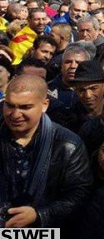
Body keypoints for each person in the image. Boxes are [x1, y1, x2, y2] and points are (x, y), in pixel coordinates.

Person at [0, 75, 92, 229]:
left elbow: (79, 196)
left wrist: (39, 215)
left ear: (44, 105)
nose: (15, 114)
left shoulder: (68, 145)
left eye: (25, 107)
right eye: (9, 105)